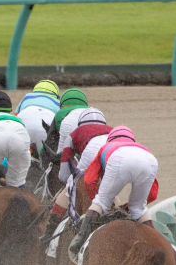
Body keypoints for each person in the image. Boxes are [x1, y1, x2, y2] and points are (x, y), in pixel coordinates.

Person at [68, 125, 159, 255]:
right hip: (150, 161)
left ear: (110, 139)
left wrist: (100, 200)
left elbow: (89, 179)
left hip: (118, 158)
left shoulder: (106, 147)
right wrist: (129, 207)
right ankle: (155, 244)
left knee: (100, 202)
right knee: (139, 209)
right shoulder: (141, 148)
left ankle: (79, 242)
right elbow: (153, 192)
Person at [41, 108, 111, 243]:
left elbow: (63, 175)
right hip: (116, 152)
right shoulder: (111, 130)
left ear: (81, 124)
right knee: (109, 191)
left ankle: (49, 234)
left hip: (92, 154)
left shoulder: (74, 134)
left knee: (70, 187)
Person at [15, 79, 60, 153]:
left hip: (23, 127)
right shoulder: (57, 102)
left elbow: (15, 116)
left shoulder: (27, 97)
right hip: (46, 130)